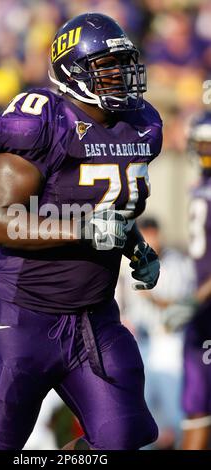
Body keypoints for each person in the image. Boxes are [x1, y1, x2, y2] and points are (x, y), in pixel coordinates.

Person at [0, 13, 163, 450]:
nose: (121, 76)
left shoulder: (139, 124)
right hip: (21, 314)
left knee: (123, 439)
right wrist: (85, 228)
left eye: (122, 64)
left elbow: (113, 210)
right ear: (74, 71)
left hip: (94, 316)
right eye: (107, 66)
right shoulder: (43, 122)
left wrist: (136, 245)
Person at [119, 217, 196, 449]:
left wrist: (152, 298)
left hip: (168, 340)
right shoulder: (128, 261)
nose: (151, 239)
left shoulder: (176, 262)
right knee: (142, 411)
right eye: (146, 234)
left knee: (176, 411)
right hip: (140, 341)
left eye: (153, 234)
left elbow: (182, 305)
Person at [180, 111, 211, 450]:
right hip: (203, 309)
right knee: (197, 408)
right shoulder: (200, 186)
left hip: (205, 306)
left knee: (199, 409)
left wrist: (197, 297)